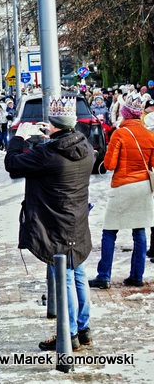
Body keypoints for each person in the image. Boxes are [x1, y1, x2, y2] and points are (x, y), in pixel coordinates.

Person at [4, 97, 94, 352]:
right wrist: (52, 136)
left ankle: (69, 335)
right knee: (78, 275)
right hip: (77, 222)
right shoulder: (84, 146)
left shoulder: (46, 154)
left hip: (55, 225)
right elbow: (60, 153)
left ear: (53, 124)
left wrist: (20, 137)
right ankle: (84, 330)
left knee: (64, 277)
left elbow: (12, 164)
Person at [88, 95, 154, 288]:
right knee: (140, 232)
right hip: (143, 187)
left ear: (124, 115)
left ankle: (104, 276)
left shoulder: (119, 134)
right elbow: (152, 164)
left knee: (109, 232)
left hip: (122, 186)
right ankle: (136, 276)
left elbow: (109, 164)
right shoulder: (150, 136)